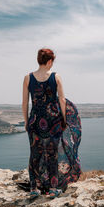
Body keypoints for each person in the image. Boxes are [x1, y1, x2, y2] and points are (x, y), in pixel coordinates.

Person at [22, 48, 82, 199]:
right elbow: (62, 100)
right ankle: (53, 189)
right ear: (49, 61)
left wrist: (26, 121)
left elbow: (24, 102)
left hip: (35, 120)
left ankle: (34, 188)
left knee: (35, 154)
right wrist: (64, 119)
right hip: (53, 121)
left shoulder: (28, 78)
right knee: (52, 154)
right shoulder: (56, 77)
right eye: (52, 62)